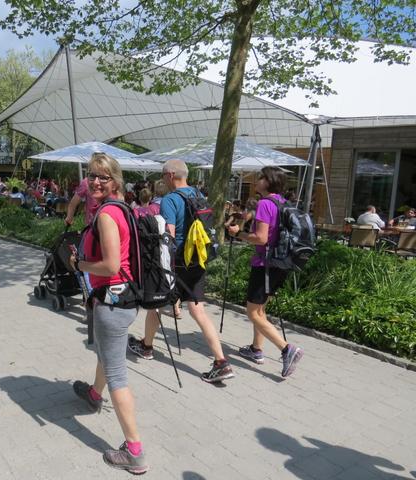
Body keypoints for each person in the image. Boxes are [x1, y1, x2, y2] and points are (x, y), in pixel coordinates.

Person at [69, 152, 148, 475]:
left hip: (113, 302)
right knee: (106, 353)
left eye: (103, 176)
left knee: (117, 375)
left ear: (115, 181)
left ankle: (134, 451)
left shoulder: (106, 215)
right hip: (125, 298)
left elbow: (112, 265)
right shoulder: (123, 208)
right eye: (91, 175)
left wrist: (80, 264)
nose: (95, 181)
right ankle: (93, 394)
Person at [128, 159, 234, 383]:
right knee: (198, 310)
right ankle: (221, 362)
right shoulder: (199, 195)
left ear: (170, 175)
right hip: (198, 259)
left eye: (162, 175)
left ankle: (146, 347)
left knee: (156, 302)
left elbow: (168, 235)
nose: (162, 179)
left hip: (177, 263)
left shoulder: (170, 199)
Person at [227, 166, 304, 378]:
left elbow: (261, 238)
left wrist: (238, 233)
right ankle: (256, 349)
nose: (257, 179)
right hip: (280, 263)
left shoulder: (264, 204)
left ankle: (287, 349)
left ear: (268, 181)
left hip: (265, 265)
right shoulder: (282, 202)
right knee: (260, 310)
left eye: (261, 177)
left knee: (252, 312)